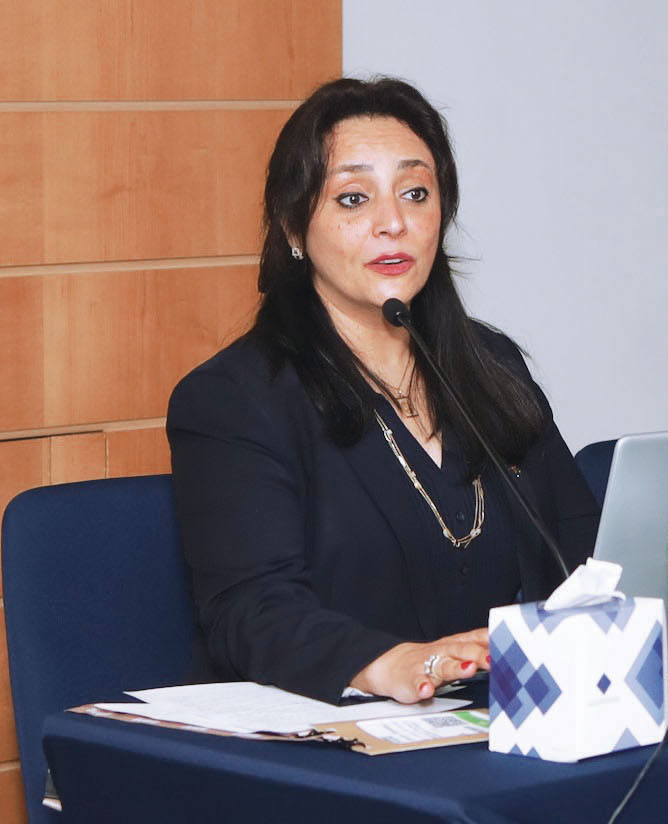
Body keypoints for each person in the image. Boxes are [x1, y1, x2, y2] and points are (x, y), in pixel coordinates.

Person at [167, 78, 598, 705]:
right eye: (353, 199)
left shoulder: (491, 365)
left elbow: (580, 548)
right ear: (293, 227)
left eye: (415, 193)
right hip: (332, 731)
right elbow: (253, 611)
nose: (392, 223)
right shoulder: (234, 399)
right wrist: (387, 664)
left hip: (505, 714)